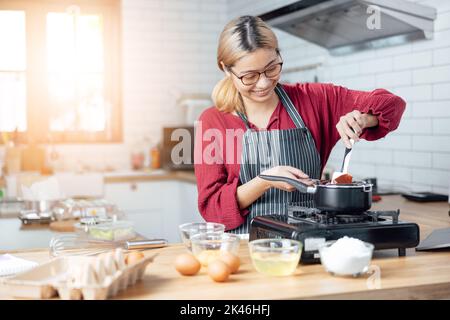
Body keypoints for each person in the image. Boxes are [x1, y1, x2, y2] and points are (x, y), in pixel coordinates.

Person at [194, 16, 406, 235]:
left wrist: (364, 119)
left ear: (279, 55)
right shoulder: (212, 122)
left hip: (308, 242)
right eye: (249, 76)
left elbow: (393, 105)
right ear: (226, 70)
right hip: (245, 252)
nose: (264, 83)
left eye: (272, 68)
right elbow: (212, 208)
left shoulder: (315, 99)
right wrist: (265, 181)